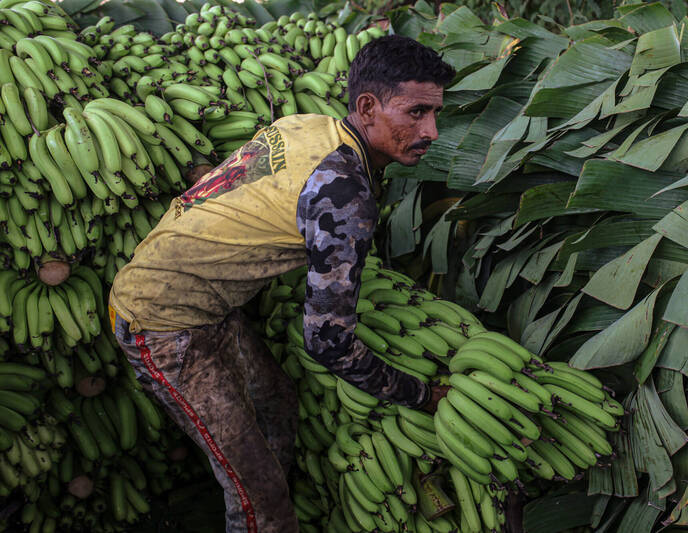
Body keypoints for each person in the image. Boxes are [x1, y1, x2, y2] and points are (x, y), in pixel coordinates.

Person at [108, 35, 456, 533]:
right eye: (416, 113)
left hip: (201, 300)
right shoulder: (344, 195)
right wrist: (421, 396)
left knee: (275, 400)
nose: (433, 131)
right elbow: (327, 342)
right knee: (258, 497)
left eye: (435, 113)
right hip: (163, 322)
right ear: (368, 107)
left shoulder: (310, 126)